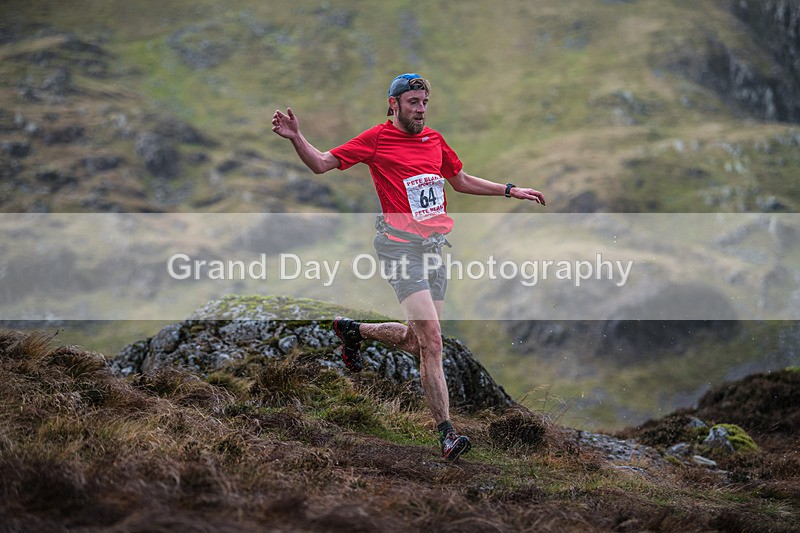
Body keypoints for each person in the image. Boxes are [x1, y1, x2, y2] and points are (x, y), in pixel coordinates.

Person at [272, 73, 546, 461]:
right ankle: (447, 434)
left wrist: (510, 189)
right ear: (393, 104)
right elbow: (321, 164)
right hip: (399, 249)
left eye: (424, 102)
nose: (420, 109)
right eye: (413, 102)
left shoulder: (434, 141)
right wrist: (297, 137)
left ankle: (353, 331)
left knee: (418, 343)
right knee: (433, 341)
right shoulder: (376, 139)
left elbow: (461, 180)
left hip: (434, 249)